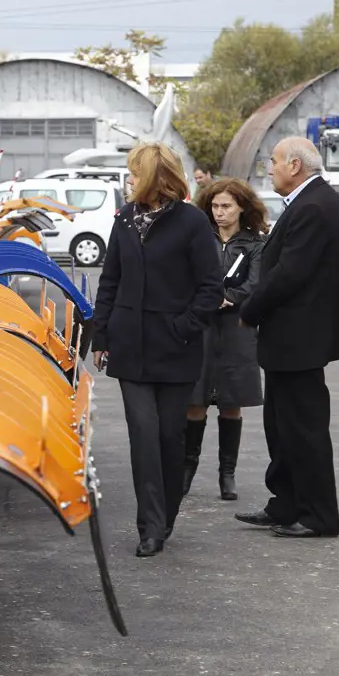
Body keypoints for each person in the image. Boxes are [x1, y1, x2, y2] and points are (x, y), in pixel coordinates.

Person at [90, 143, 224, 557]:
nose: (129, 180)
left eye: (135, 173)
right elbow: (110, 278)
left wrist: (183, 327)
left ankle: (165, 515)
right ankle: (149, 526)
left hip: (176, 349)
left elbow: (210, 287)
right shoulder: (125, 219)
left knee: (170, 436)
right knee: (144, 436)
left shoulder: (192, 223)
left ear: (153, 176)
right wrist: (101, 335)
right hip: (130, 346)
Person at [236, 137, 339, 539]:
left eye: (274, 161)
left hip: (302, 338)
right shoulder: (309, 202)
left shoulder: (315, 207)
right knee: (281, 426)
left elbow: (290, 273)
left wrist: (250, 310)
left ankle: (318, 515)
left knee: (304, 428)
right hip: (290, 339)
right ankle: (285, 504)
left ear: (296, 166)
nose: (269, 167)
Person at [184, 179, 268, 501]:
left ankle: (227, 473)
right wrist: (207, 300)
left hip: (238, 327)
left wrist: (228, 298)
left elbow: (256, 283)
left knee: (232, 402)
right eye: (215, 206)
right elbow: (187, 275)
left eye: (226, 207)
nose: (219, 213)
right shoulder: (199, 239)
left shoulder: (256, 243)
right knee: (195, 401)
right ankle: (187, 467)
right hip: (201, 327)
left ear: (242, 207)